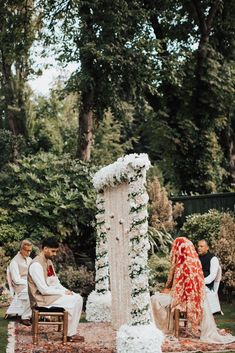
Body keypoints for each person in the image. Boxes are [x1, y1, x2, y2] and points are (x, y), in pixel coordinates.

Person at [151, 237, 235, 344]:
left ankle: (161, 328)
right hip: (194, 294)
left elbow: (210, 277)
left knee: (154, 299)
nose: (198, 248)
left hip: (187, 297)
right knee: (158, 297)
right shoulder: (195, 261)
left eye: (201, 246)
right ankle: (165, 327)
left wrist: (170, 290)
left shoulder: (190, 263)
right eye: (197, 246)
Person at [28, 237, 84, 342]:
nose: (55, 254)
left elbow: (55, 282)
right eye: (53, 251)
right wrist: (63, 293)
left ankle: (70, 333)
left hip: (50, 295)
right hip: (40, 298)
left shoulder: (48, 262)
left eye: (56, 251)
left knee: (78, 297)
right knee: (74, 300)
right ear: (45, 249)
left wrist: (67, 291)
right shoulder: (36, 264)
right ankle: (69, 335)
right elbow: (43, 290)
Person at [7, 239, 33, 326]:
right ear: (21, 249)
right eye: (27, 250)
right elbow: (16, 280)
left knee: (42, 291)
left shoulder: (30, 260)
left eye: (30, 250)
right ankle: (25, 317)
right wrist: (30, 283)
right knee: (32, 293)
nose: (29, 253)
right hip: (20, 287)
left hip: (30, 285)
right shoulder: (14, 261)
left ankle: (38, 315)